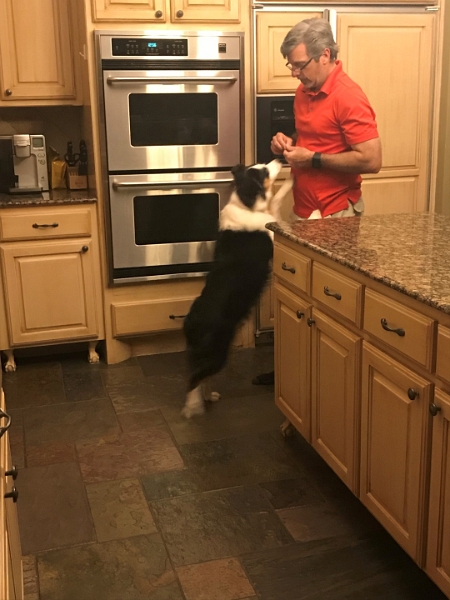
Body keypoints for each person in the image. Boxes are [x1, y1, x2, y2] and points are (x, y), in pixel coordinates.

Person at [253, 17, 381, 386]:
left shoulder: (348, 96)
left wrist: (314, 159)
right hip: (303, 210)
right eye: (290, 65)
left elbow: (372, 159)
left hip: (337, 214)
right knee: (296, 298)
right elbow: (309, 137)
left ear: (325, 55)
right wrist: (286, 143)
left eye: (299, 64)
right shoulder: (304, 91)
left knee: (327, 307)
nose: (294, 72)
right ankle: (293, 375)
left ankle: (325, 384)